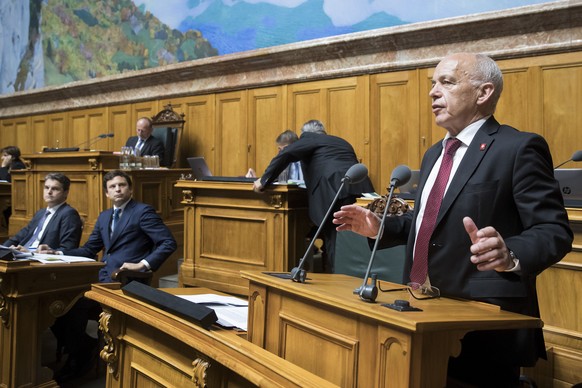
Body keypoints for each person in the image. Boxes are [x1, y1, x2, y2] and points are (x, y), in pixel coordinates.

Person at [333, 53, 573, 386]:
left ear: (483, 93)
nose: (433, 91)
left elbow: (554, 230)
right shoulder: (434, 153)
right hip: (417, 312)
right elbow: (429, 222)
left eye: (447, 82)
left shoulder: (518, 147)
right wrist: (381, 227)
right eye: (433, 83)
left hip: (481, 324)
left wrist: (510, 254)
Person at [39, 169, 177, 383]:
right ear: (106, 193)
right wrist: (57, 252)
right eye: (112, 186)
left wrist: (143, 264)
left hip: (126, 281)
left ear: (130, 188)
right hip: (101, 279)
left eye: (122, 185)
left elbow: (168, 242)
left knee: (73, 309)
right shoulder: (104, 217)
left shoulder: (142, 212)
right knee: (58, 307)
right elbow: (89, 250)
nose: (118, 189)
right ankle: (85, 350)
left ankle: (82, 358)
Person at [253, 119, 374, 273]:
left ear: (305, 133)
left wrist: (264, 181)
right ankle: (358, 275)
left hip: (333, 191)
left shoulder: (309, 138)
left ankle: (338, 279)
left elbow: (286, 153)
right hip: (361, 189)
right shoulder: (340, 141)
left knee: (335, 238)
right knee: (355, 237)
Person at [2, 172, 82, 252]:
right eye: (46, 187)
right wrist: (3, 249)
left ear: (65, 192)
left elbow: (68, 248)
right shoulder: (40, 213)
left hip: (40, 260)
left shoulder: (69, 214)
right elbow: (18, 237)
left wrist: (30, 252)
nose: (49, 192)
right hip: (22, 255)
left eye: (55, 189)